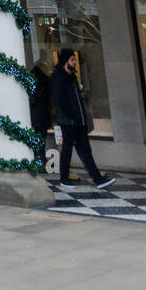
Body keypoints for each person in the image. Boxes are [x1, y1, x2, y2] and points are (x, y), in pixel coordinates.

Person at [50, 48, 115, 190]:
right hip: (69, 121)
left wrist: (82, 117)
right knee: (67, 149)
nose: (74, 62)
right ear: (66, 61)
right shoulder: (59, 78)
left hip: (79, 121)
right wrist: (70, 116)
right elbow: (59, 100)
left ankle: (97, 178)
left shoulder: (72, 77)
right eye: (72, 60)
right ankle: (64, 178)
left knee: (85, 150)